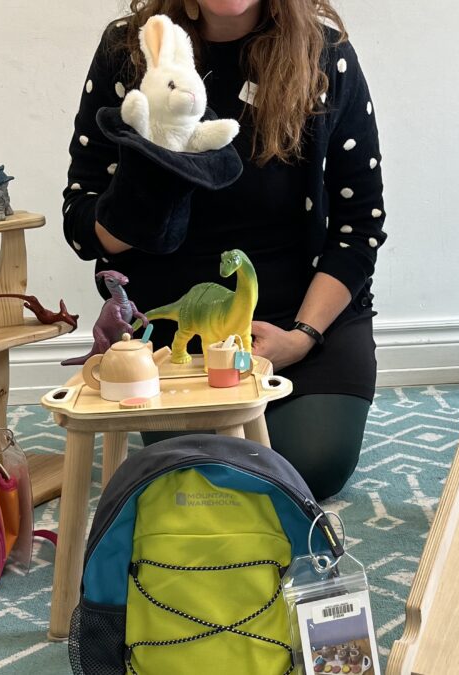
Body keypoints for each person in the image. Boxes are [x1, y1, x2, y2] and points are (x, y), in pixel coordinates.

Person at [62, 0, 386, 500]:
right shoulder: (127, 52)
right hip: (180, 341)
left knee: (308, 468)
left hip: (303, 320)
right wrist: (147, 185)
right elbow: (81, 223)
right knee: (200, 474)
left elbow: (358, 227)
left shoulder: (325, 57)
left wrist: (301, 336)